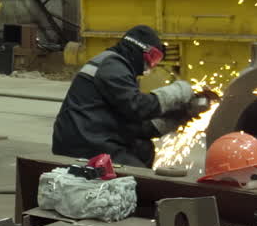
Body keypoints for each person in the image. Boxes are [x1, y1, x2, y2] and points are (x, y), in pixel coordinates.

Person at [52, 25, 206, 169]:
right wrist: (178, 91)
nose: (150, 66)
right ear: (138, 49)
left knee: (143, 148)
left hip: (95, 135)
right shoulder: (112, 65)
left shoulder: (120, 67)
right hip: (84, 142)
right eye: (152, 58)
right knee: (139, 178)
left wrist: (179, 117)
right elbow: (137, 107)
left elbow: (133, 123)